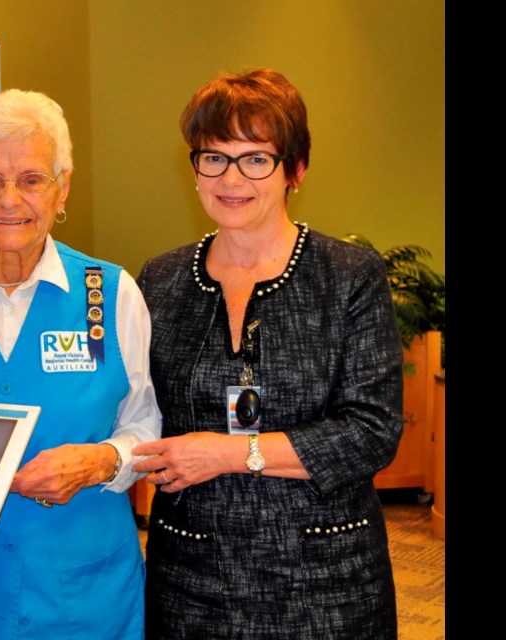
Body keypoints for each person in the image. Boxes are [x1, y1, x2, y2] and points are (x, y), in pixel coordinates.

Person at [132, 68, 404, 638]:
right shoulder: (159, 279)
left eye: (256, 158)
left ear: (295, 171)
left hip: (326, 581)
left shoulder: (348, 275)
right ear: (195, 168)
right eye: (214, 157)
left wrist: (229, 453)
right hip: (190, 579)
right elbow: (133, 410)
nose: (232, 178)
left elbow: (372, 431)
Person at [0, 88, 162, 639]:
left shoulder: (109, 293)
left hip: (85, 598)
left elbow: (147, 423)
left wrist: (100, 462)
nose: (8, 199)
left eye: (32, 180)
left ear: (62, 189)